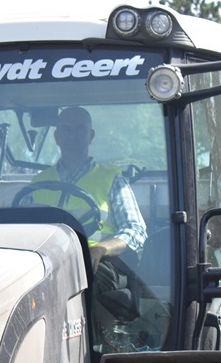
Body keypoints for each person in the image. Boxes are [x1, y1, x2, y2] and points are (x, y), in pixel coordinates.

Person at [27, 106, 146, 265]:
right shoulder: (37, 183)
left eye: (80, 130)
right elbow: (22, 230)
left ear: (91, 136)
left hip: (99, 262)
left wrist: (101, 249)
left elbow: (136, 230)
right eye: (66, 130)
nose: (72, 136)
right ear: (57, 137)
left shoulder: (113, 180)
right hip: (45, 262)